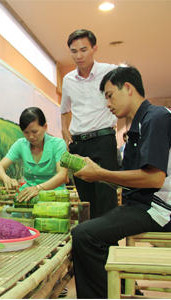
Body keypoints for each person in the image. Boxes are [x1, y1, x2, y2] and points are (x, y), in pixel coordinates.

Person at [71, 66, 171, 299]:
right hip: (143, 205)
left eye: (109, 95)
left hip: (161, 209)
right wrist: (93, 172)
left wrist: (101, 174)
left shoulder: (156, 117)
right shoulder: (138, 126)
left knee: (85, 235)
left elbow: (154, 178)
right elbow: (132, 177)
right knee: (89, 230)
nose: (107, 104)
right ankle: (124, 290)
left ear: (128, 88)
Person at [60, 29, 118, 219]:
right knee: (86, 199)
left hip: (104, 140)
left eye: (84, 50)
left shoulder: (109, 72)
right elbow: (65, 109)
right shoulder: (68, 80)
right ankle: (91, 244)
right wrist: (64, 130)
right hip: (79, 144)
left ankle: (109, 246)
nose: (79, 56)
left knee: (106, 197)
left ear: (94, 48)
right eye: (74, 51)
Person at [0, 107, 68, 203]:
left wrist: (38, 188)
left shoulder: (58, 144)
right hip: (27, 195)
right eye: (26, 133)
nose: (31, 137)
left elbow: (62, 175)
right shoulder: (21, 144)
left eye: (34, 131)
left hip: (53, 195)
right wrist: (5, 178)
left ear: (45, 127)